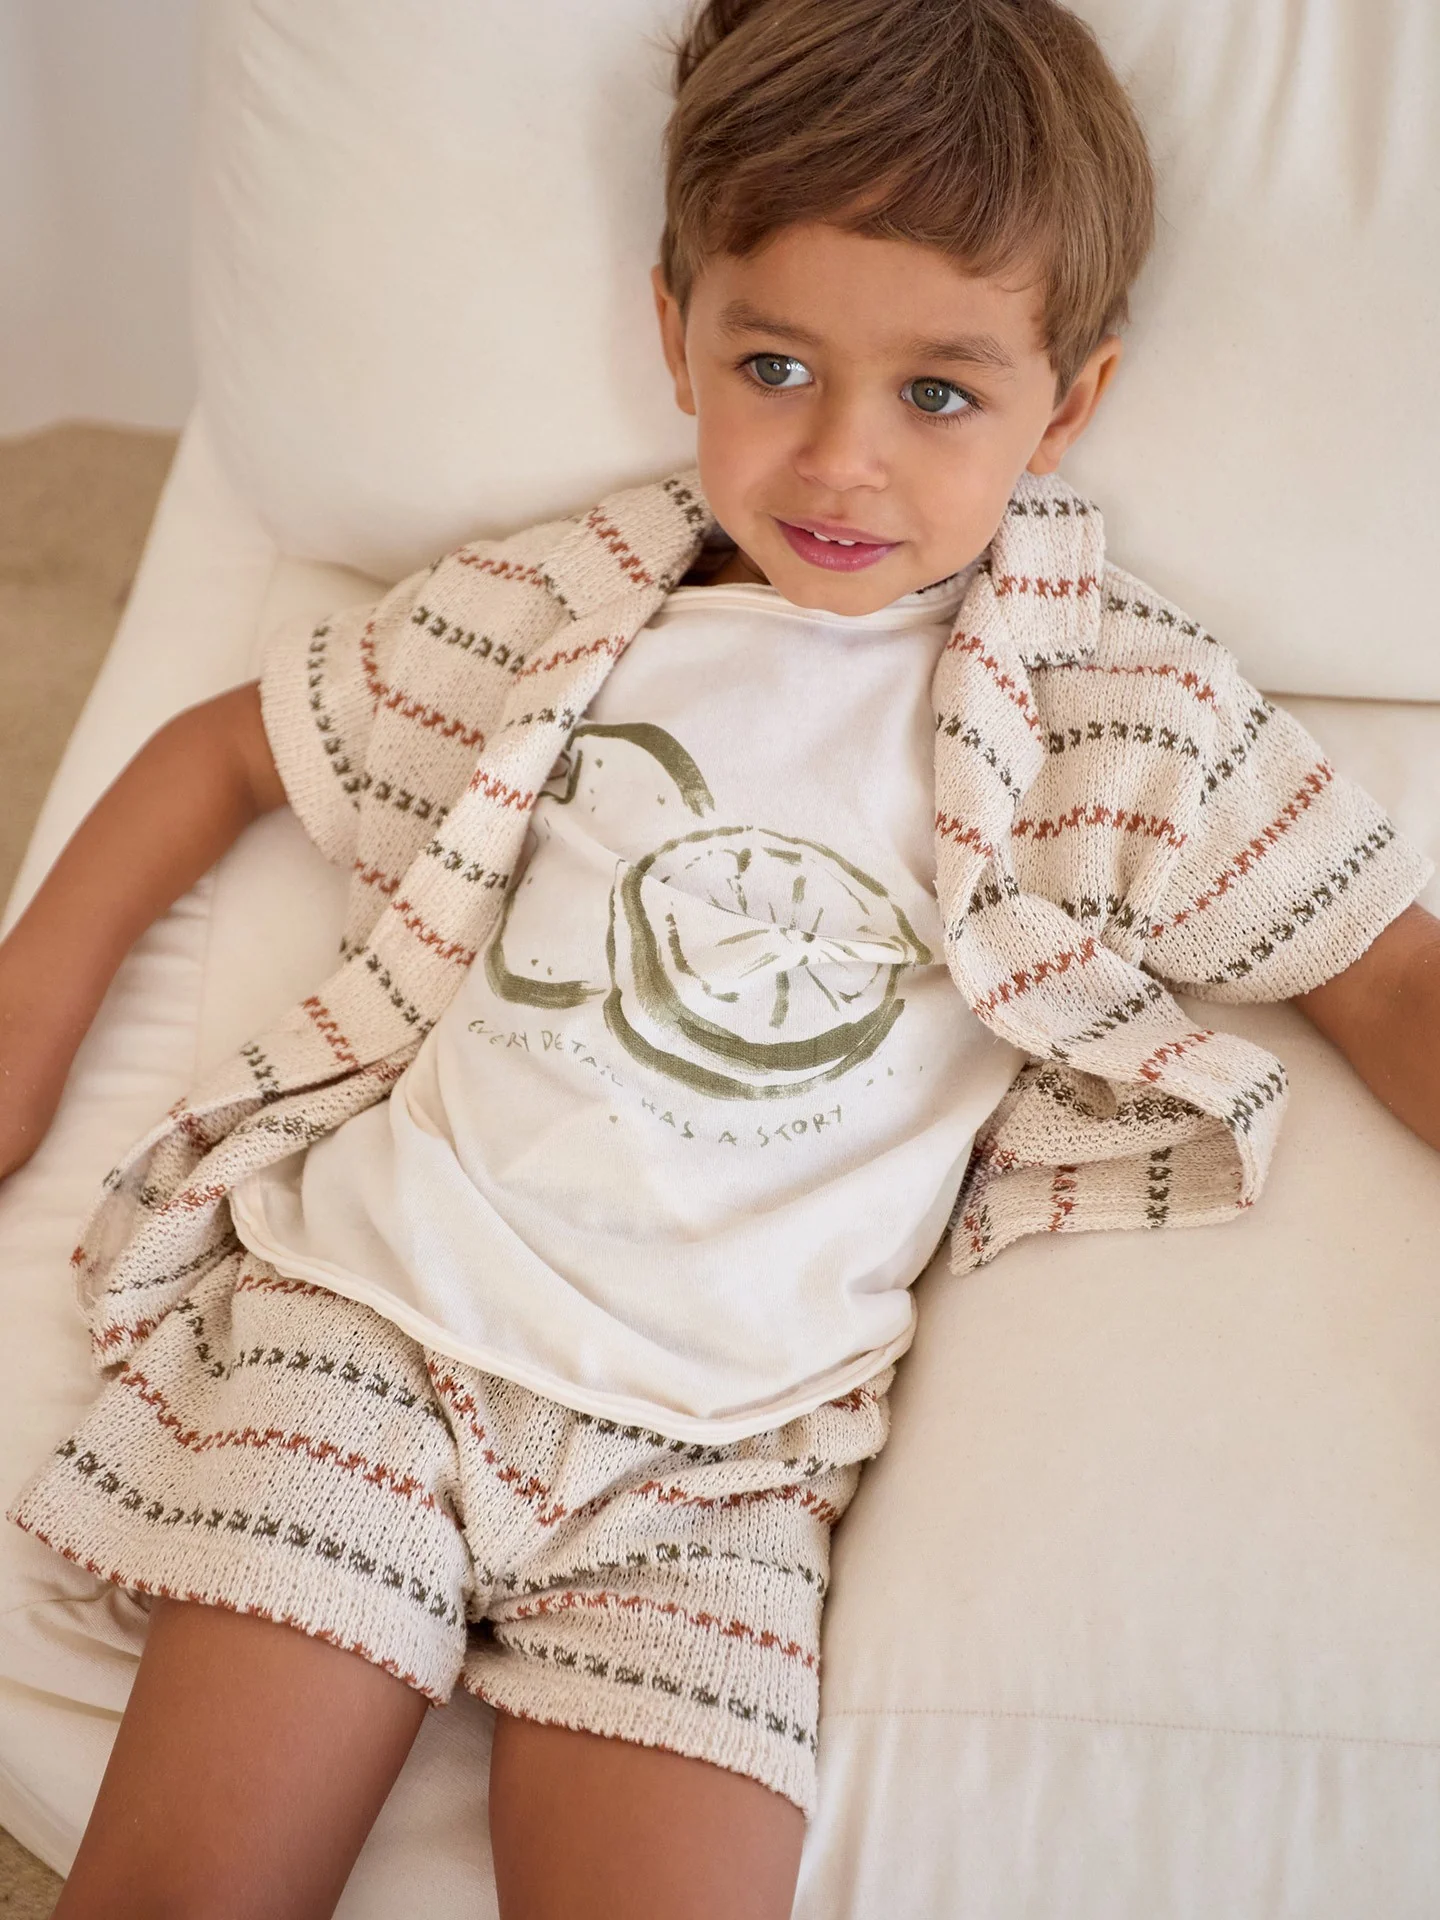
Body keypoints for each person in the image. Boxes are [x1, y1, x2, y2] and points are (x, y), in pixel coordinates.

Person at [3, 0, 1437, 1914]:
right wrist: (29, 1011)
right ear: (674, 329)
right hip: (379, 1331)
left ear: (1068, 402)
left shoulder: (1120, 712)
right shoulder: (581, 603)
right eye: (775, 365)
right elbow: (231, 749)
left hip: (727, 1477)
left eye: (940, 396)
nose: (841, 462)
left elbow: (1386, 973)